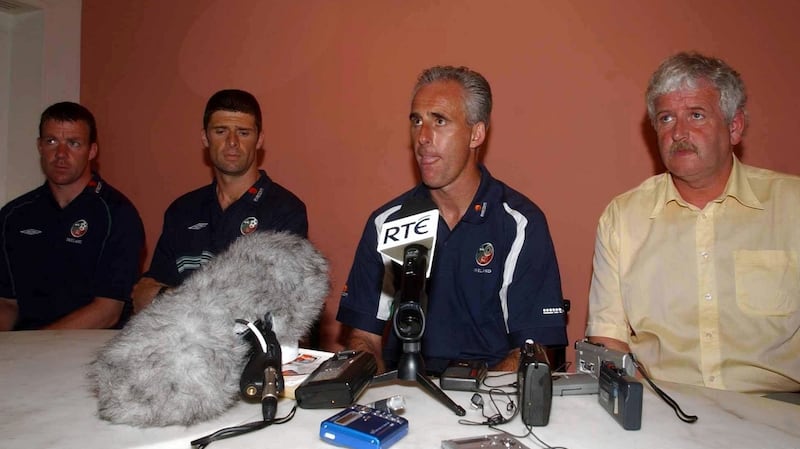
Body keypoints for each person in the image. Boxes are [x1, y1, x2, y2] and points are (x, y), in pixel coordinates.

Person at [586, 52, 800, 393]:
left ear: (734, 127)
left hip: (779, 409)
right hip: (664, 407)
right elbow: (606, 339)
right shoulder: (623, 218)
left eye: (696, 115)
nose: (679, 133)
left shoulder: (791, 206)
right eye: (666, 118)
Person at [336, 66, 567, 374]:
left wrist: (474, 395)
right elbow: (364, 338)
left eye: (439, 121)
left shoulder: (519, 225)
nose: (422, 137)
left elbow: (532, 352)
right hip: (404, 391)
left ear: (476, 134)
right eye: (416, 121)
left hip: (489, 394)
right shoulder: (388, 223)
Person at [132, 89, 308, 314]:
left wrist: (169, 297)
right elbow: (143, 298)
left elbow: (270, 309)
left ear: (259, 139)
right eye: (221, 131)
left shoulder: (285, 211)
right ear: (205, 138)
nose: (232, 142)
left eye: (243, 132)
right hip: (179, 337)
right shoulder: (182, 210)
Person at [0, 101, 144, 330]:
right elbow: (7, 303)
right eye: (51, 141)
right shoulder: (13, 215)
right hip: (23, 345)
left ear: (92, 151)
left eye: (74, 143)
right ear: (39, 146)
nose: (61, 154)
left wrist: (36, 345)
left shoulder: (117, 214)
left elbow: (108, 311)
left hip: (87, 347)